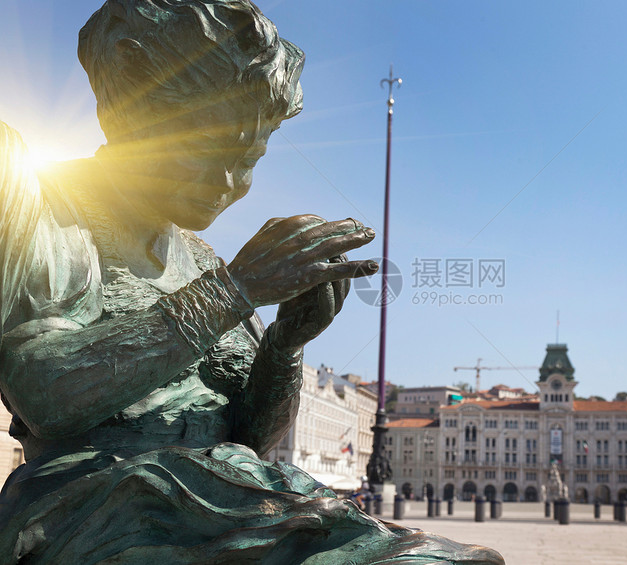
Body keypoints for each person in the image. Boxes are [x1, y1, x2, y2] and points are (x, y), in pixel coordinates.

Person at [0, 1, 503, 563]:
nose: (227, 182)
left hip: (222, 502)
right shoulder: (45, 203)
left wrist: (285, 345)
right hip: (101, 506)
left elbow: (248, 439)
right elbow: (42, 389)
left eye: (249, 159)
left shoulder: (202, 257)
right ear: (135, 99)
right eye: (210, 150)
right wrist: (232, 291)